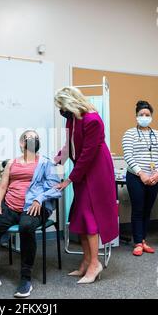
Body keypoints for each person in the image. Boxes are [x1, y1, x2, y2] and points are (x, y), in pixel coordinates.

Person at [0, 131, 62, 298]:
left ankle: (25, 277)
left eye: (35, 138)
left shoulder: (45, 163)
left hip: (34, 206)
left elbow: (54, 186)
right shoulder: (12, 163)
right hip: (11, 206)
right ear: (21, 143)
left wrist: (39, 199)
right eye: (28, 138)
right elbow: (2, 186)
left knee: (26, 226)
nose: (32, 140)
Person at [54, 87, 118, 284]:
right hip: (83, 171)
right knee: (80, 216)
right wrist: (54, 162)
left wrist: (69, 179)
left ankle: (95, 264)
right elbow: (68, 147)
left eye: (62, 106)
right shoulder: (72, 118)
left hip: (96, 172)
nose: (61, 110)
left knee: (90, 218)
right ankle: (86, 261)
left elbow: (87, 156)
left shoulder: (92, 120)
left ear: (71, 102)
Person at [122, 101, 158, 256]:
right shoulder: (130, 133)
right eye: (141, 115)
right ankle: (138, 242)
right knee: (138, 209)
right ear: (136, 116)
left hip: (154, 178)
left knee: (148, 210)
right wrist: (141, 173)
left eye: (147, 115)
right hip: (136, 177)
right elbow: (128, 155)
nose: (144, 117)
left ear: (151, 116)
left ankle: (144, 240)